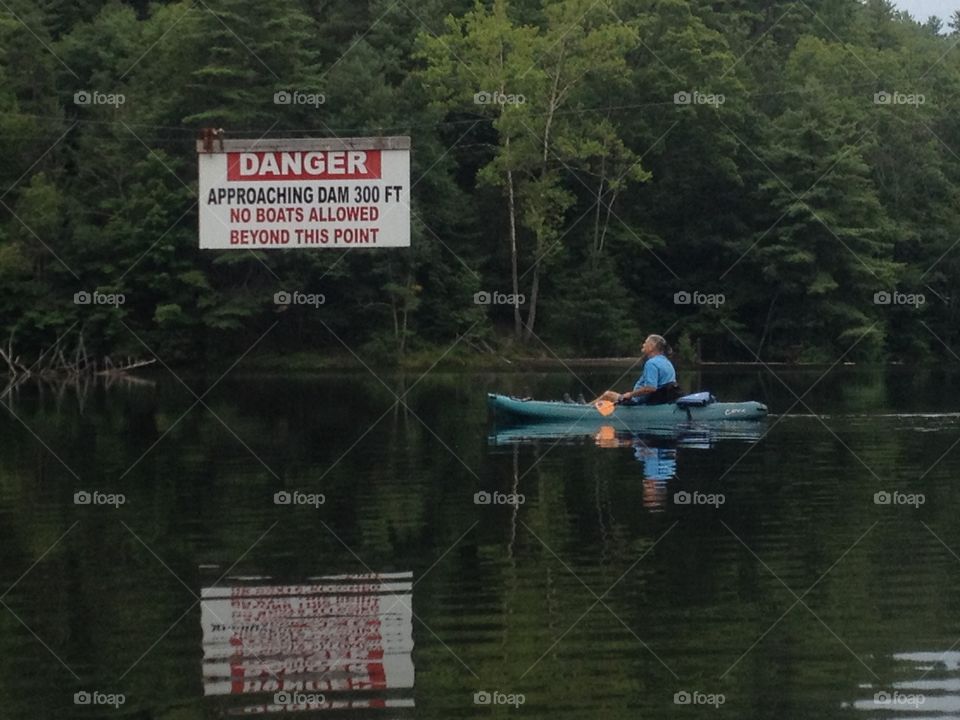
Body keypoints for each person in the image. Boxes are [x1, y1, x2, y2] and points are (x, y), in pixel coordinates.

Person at [590, 334, 681, 406]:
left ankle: (585, 409)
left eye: (645, 343)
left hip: (640, 401)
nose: (643, 345)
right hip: (661, 401)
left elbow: (651, 388)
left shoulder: (651, 363)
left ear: (652, 347)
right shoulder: (667, 362)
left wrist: (630, 394)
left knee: (608, 395)